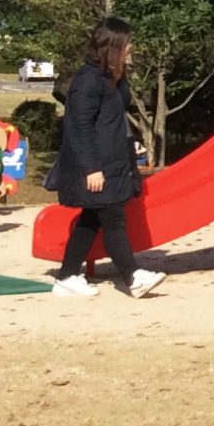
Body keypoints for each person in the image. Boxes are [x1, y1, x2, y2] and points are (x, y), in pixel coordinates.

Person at [49, 17, 164, 299]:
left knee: (91, 220)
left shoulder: (113, 78)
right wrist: (91, 168)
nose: (131, 47)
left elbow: (113, 120)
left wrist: (131, 146)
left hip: (113, 160)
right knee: (114, 219)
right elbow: (79, 126)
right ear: (113, 46)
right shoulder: (87, 81)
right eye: (126, 43)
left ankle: (67, 276)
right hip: (94, 164)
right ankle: (133, 276)